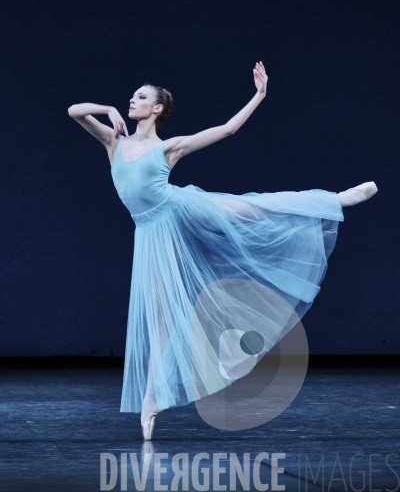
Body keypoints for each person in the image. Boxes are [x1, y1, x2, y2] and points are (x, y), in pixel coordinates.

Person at [68, 61, 378, 440]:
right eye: (132, 96)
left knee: (252, 209)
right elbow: (74, 112)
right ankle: (151, 400)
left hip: (181, 208)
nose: (133, 100)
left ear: (157, 109)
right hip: (151, 233)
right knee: (161, 319)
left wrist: (259, 95)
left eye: (141, 97)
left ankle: (335, 201)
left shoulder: (167, 147)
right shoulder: (114, 141)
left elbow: (228, 129)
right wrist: (108, 110)